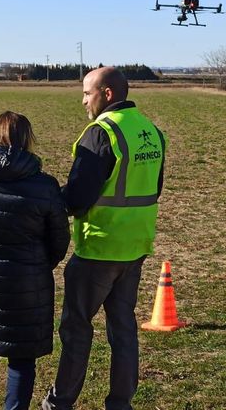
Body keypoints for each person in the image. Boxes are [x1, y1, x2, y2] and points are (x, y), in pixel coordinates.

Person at [42, 67, 166, 410]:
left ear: (107, 94)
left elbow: (79, 197)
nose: (83, 100)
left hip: (98, 246)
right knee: (123, 328)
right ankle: (120, 402)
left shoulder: (101, 133)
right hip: (135, 247)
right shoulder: (152, 131)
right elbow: (153, 188)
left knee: (77, 329)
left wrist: (48, 201)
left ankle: (61, 401)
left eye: (87, 93)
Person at [0, 111, 71, 410]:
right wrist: (38, 264)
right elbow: (59, 240)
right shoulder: (45, 186)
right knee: (22, 357)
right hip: (27, 285)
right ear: (26, 140)